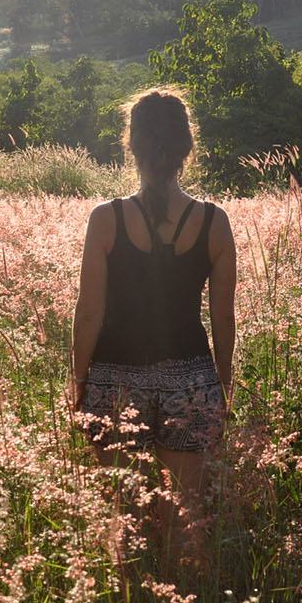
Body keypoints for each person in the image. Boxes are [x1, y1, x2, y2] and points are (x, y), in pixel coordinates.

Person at [70, 86, 236, 565]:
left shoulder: (106, 220)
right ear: (187, 148)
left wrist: (79, 382)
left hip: (113, 384)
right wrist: (221, 390)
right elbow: (223, 321)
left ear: (132, 146)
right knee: (186, 524)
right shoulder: (214, 222)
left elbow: (88, 314)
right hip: (192, 384)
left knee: (125, 523)